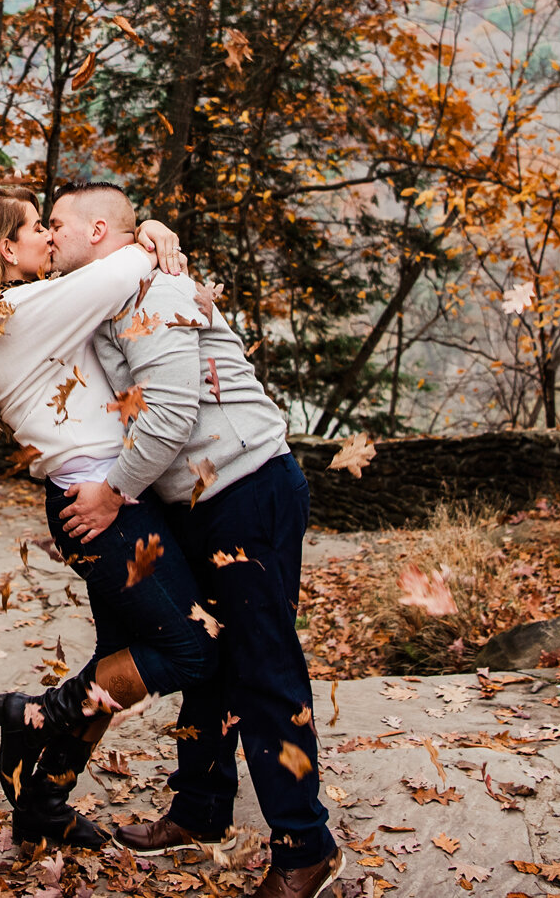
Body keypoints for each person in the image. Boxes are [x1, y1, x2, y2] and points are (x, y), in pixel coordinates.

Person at [48, 182, 345, 898]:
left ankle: (305, 847)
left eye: (56, 223)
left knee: (263, 666)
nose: (49, 235)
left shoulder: (153, 287)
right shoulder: (112, 289)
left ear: (96, 227)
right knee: (211, 661)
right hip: (199, 502)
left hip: (247, 490)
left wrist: (114, 490)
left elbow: (172, 410)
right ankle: (200, 808)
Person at [0, 184, 214, 849]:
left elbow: (114, 271)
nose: (45, 235)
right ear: (7, 247)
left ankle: (44, 800)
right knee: (193, 649)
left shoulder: (15, 308)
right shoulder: (15, 308)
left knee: (114, 661)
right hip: (101, 510)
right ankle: (32, 713)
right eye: (36, 226)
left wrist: (144, 225)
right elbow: (122, 267)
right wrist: (148, 228)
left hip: (95, 502)